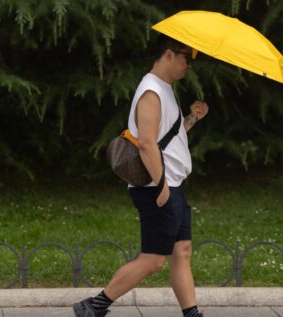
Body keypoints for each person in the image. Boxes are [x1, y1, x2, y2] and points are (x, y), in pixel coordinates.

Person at [73, 34, 209, 317]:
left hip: (171, 185)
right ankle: (94, 306)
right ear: (169, 54)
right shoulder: (151, 92)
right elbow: (146, 143)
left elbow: (167, 139)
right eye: (186, 58)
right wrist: (161, 187)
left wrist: (192, 118)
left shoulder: (164, 89)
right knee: (153, 260)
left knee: (182, 251)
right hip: (156, 187)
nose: (189, 66)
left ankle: (192, 314)